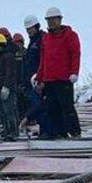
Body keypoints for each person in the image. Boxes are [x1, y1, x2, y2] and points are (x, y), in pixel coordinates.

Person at [36, 7, 81, 139]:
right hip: (49, 79)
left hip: (64, 78)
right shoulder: (46, 38)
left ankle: (75, 132)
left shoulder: (70, 35)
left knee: (67, 107)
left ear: (60, 20)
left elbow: (75, 54)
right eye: (48, 20)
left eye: (53, 19)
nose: (51, 22)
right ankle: (59, 133)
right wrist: (40, 78)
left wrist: (74, 72)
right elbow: (43, 59)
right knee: (52, 108)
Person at [21, 14, 52, 137]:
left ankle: (47, 130)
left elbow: (44, 60)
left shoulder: (42, 39)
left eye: (30, 28)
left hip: (39, 79)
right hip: (31, 80)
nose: (29, 31)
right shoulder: (32, 41)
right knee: (36, 105)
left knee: (41, 106)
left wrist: (41, 78)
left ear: (36, 27)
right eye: (27, 29)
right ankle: (43, 130)